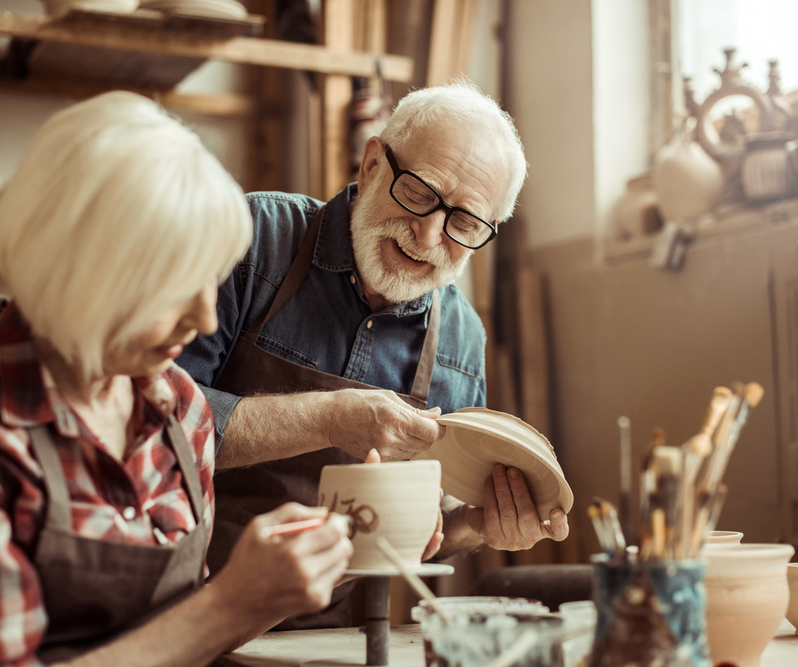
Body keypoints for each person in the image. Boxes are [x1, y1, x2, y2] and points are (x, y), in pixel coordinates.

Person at [0, 92, 352, 666]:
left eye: (211, 280)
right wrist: (229, 606)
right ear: (76, 269)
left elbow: (181, 635)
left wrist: (274, 588)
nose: (205, 319)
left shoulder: (180, 408)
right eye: (174, 287)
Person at [177, 79, 570, 629]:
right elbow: (151, 425)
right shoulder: (253, 242)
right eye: (418, 192)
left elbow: (420, 531)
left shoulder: (461, 342)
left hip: (328, 639)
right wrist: (331, 418)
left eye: (463, 222)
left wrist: (476, 524)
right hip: (181, 610)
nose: (428, 236)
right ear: (371, 166)